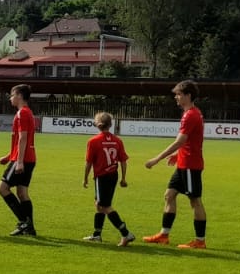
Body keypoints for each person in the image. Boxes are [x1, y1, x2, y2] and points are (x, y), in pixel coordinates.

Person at [143, 79, 208, 248]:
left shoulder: (191, 115)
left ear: (188, 95)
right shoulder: (191, 113)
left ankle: (200, 241)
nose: (176, 97)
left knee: (195, 201)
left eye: (178, 94)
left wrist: (156, 159)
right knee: (169, 195)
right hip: (184, 163)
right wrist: (178, 155)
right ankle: (164, 235)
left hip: (190, 165)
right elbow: (191, 141)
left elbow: (180, 141)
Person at [82, 111, 134, 246]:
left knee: (104, 206)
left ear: (97, 124)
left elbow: (89, 162)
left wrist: (85, 178)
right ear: (110, 124)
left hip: (102, 176)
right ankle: (97, 234)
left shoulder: (93, 141)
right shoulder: (117, 140)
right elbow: (123, 161)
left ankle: (126, 233)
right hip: (113, 175)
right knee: (99, 204)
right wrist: (123, 178)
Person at [0, 83, 39, 237]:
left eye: (12, 95)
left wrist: (19, 161)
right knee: (22, 193)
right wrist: (9, 156)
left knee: (2, 188)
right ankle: (30, 229)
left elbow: (23, 138)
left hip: (23, 159)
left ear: (20, 96)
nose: (11, 98)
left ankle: (24, 222)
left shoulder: (22, 113)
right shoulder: (27, 112)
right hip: (28, 158)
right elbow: (19, 141)